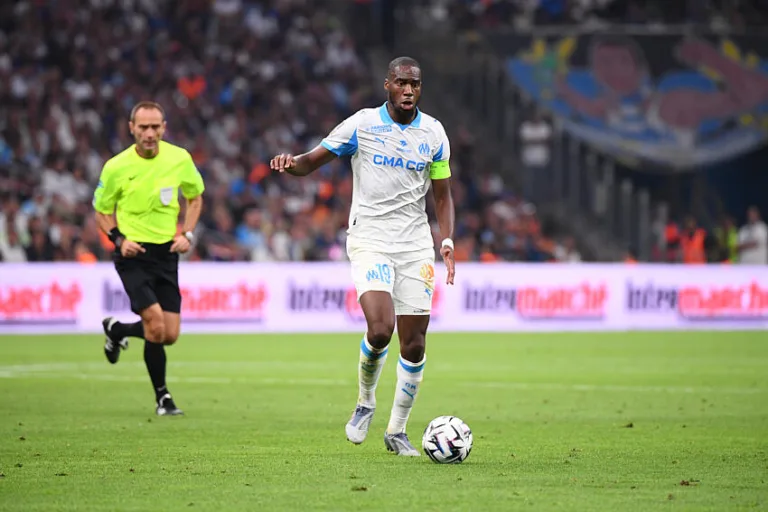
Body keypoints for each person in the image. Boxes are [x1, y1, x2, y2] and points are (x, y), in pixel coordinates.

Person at [270, 56, 456, 456]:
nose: (409, 90)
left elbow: (442, 194)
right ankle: (365, 402)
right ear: (387, 84)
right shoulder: (363, 124)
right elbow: (313, 160)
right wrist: (292, 164)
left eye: (416, 84)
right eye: (402, 82)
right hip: (370, 238)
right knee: (379, 329)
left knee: (415, 345)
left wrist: (447, 241)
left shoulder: (434, 133)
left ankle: (397, 431)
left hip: (415, 244)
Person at [92, 101, 205, 416]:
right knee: (154, 323)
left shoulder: (179, 158)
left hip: (167, 253)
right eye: (143, 127)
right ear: (132, 128)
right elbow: (101, 209)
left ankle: (117, 330)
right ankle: (163, 399)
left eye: (155, 127)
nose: (150, 133)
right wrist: (118, 239)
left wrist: (188, 233)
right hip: (133, 254)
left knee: (169, 334)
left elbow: (195, 197)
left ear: (164, 127)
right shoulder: (116, 166)